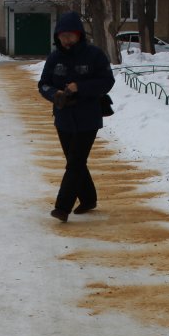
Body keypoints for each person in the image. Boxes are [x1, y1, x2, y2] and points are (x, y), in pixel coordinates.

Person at [37, 12, 115, 223]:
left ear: (79, 35)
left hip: (88, 117)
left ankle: (62, 208)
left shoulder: (94, 55)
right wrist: (56, 95)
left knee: (75, 163)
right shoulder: (54, 58)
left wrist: (80, 87)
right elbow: (43, 84)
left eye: (70, 35)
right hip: (63, 118)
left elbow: (107, 81)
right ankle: (88, 199)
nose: (66, 40)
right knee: (75, 161)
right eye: (62, 36)